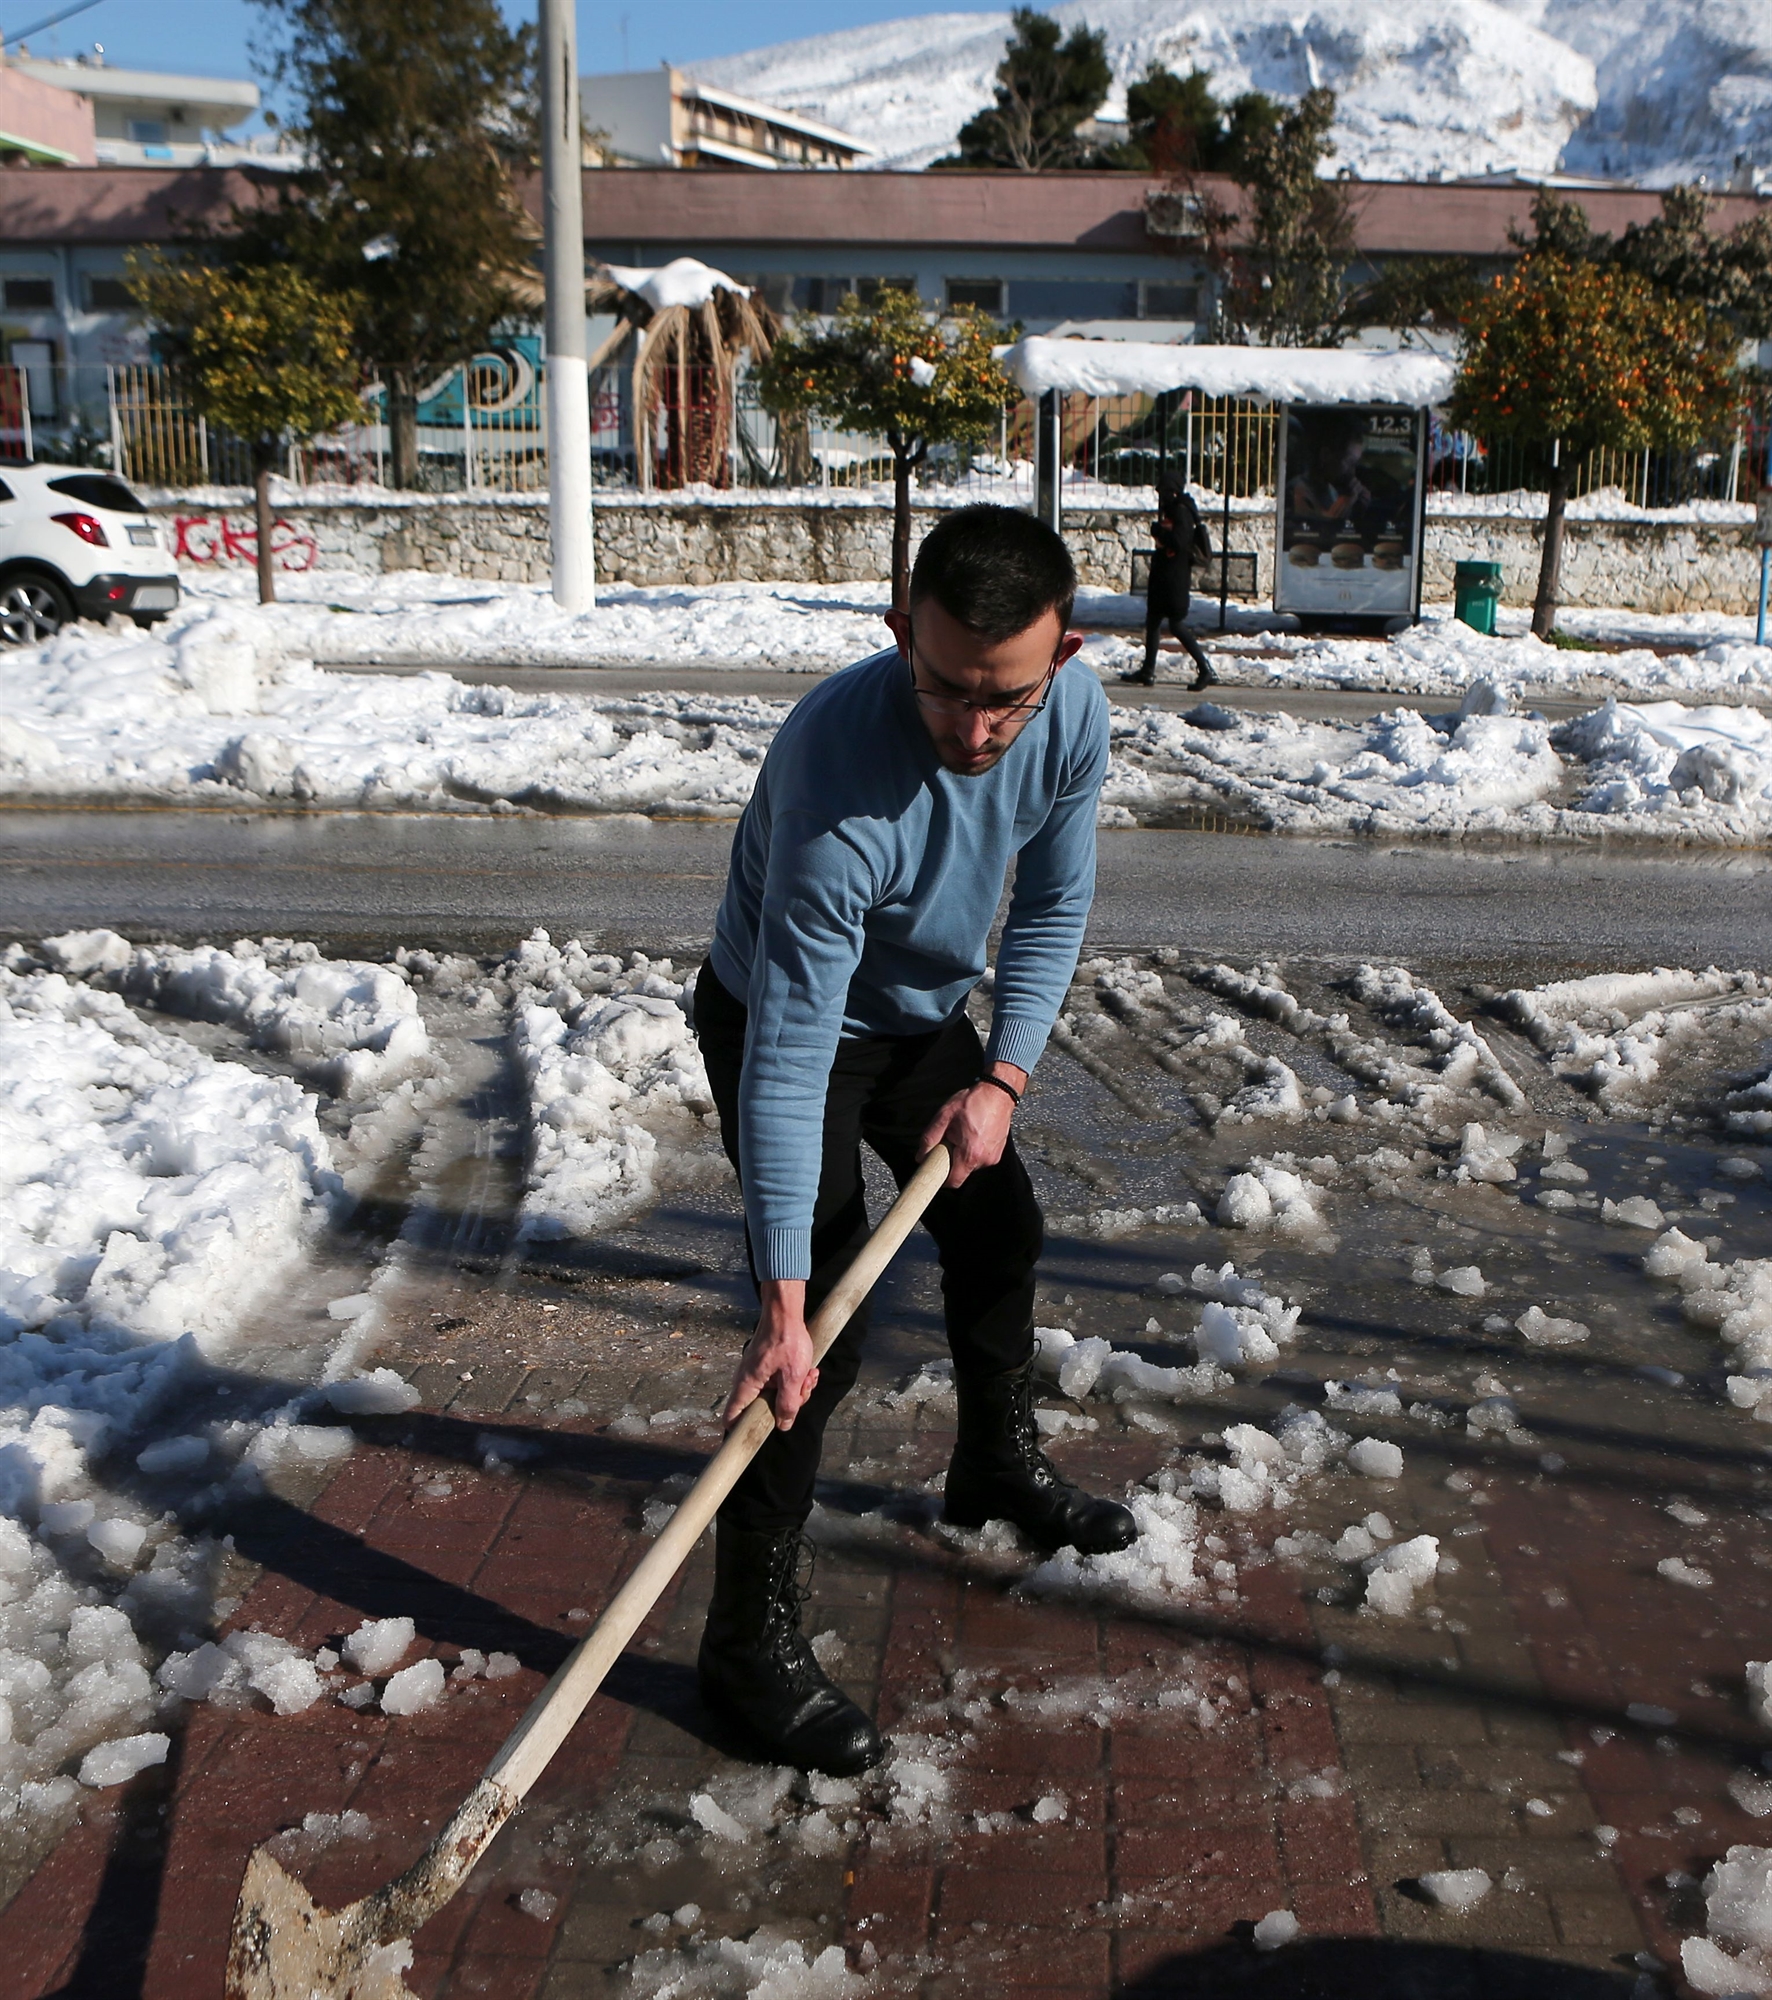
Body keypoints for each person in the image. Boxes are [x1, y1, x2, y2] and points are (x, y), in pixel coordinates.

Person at [691, 504, 1136, 1777]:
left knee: (998, 1220)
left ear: (1065, 653)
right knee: (817, 1323)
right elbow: (786, 1052)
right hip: (786, 1014)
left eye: (1007, 699)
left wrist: (1000, 1074)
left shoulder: (1071, 716)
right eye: (946, 692)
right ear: (900, 636)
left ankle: (994, 1466)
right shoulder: (839, 779)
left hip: (922, 1015)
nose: (976, 728)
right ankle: (746, 1645)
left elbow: (1054, 901)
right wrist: (778, 1298)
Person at [1121, 474, 1216, 689]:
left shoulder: (1181, 511)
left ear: (1173, 492)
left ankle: (1204, 667)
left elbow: (1180, 542)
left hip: (1175, 577)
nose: (1161, 497)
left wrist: (1159, 532)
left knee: (1176, 624)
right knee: (1153, 621)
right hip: (1164, 574)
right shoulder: (1171, 510)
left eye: (1164, 492)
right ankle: (1148, 670)